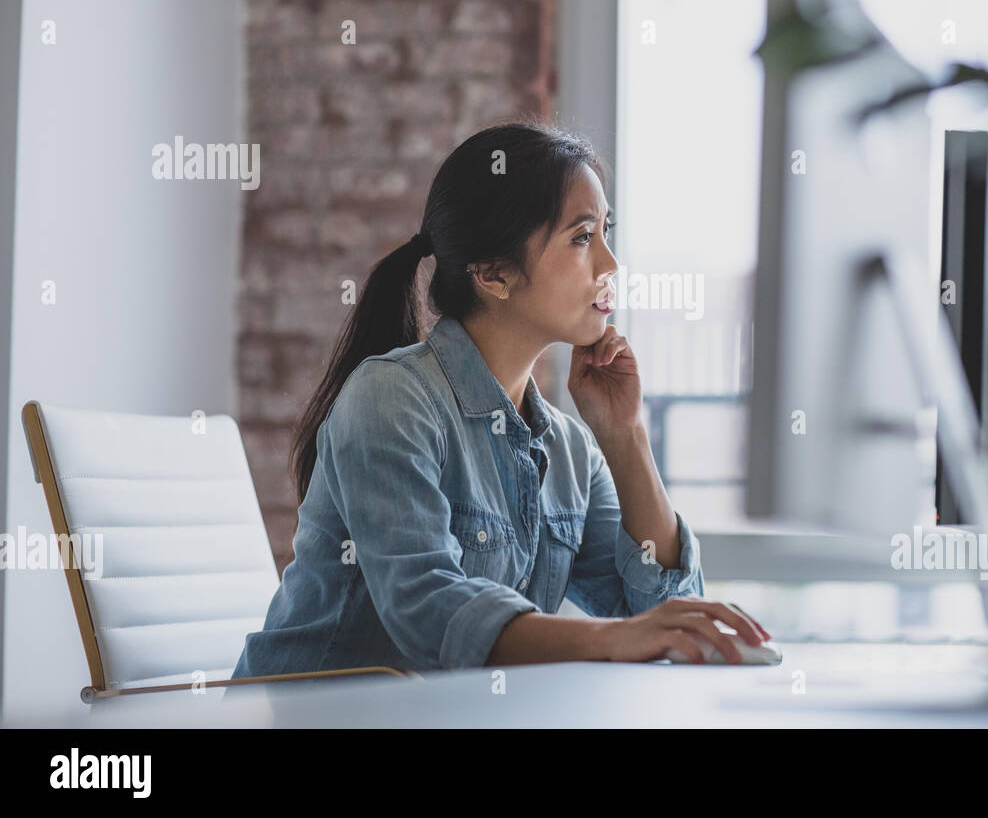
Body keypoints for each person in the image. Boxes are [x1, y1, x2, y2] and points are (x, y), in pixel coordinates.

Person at [230, 121, 770, 679]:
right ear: (494, 274)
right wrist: (615, 638)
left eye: (606, 232)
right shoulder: (391, 398)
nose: (610, 265)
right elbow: (427, 613)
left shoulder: (569, 447)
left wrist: (624, 434)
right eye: (583, 238)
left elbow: (658, 615)